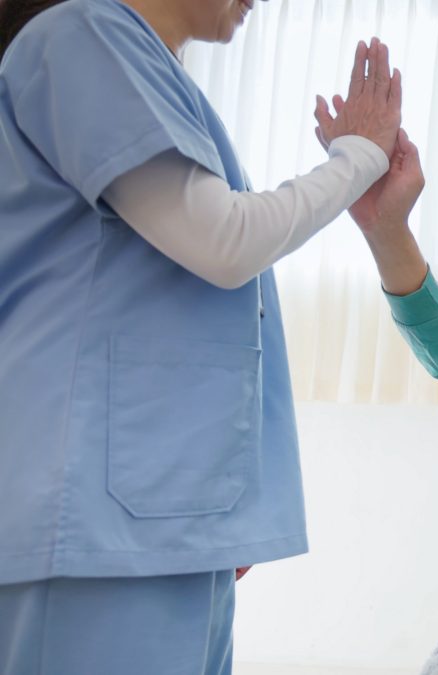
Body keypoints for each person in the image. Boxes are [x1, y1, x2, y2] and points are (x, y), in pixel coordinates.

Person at [0, 0, 402, 672]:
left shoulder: (149, 71)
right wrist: (358, 155)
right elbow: (224, 240)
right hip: (91, 524)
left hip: (158, 519)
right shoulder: (79, 34)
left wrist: (221, 510)